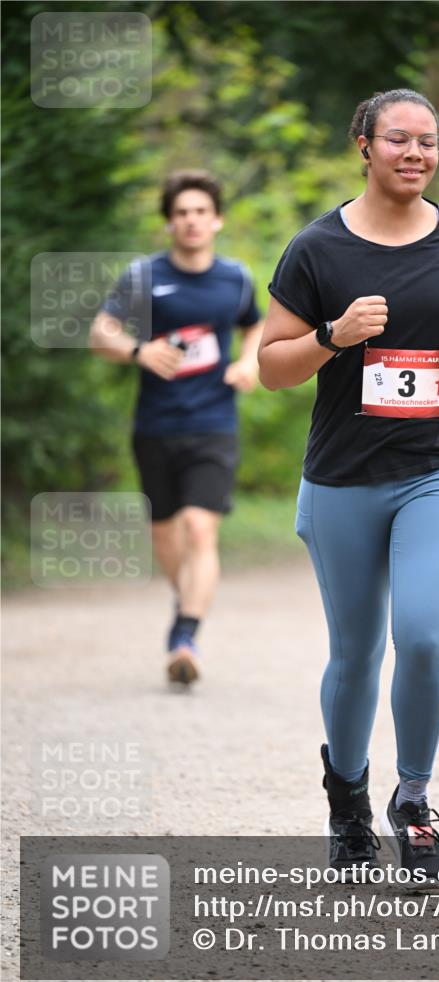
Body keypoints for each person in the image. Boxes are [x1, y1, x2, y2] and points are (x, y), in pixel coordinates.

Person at [258, 89, 439, 879]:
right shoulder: (316, 248)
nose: (415, 154)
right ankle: (347, 804)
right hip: (344, 476)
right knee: (354, 653)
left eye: (428, 141)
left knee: (422, 635)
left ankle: (413, 803)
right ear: (363, 145)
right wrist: (332, 335)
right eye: (398, 139)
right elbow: (270, 367)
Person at [90, 169, 263, 685]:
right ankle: (187, 601)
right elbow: (101, 333)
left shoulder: (236, 278)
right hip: (156, 424)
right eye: (182, 213)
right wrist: (138, 351)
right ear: (169, 222)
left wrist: (248, 362)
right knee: (165, 533)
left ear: (217, 220)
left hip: (215, 422)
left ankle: (185, 636)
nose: (191, 221)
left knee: (200, 528)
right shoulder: (143, 276)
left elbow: (255, 325)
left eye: (200, 212)